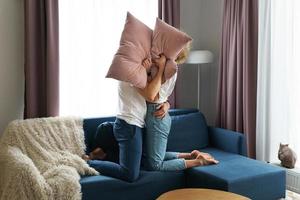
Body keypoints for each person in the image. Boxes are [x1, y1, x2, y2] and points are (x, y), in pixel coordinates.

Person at [83, 55, 167, 182]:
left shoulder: (144, 71)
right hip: (130, 124)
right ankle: (87, 162)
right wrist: (161, 68)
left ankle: (102, 154)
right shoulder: (132, 72)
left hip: (133, 124)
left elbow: (157, 97)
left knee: (146, 160)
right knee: (130, 174)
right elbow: (151, 96)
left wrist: (166, 104)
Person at [143, 43, 219, 172]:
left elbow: (153, 96)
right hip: (157, 114)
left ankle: (198, 161)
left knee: (155, 165)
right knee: (149, 157)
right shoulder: (169, 68)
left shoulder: (169, 69)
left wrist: (150, 70)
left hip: (156, 116)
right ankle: (191, 155)